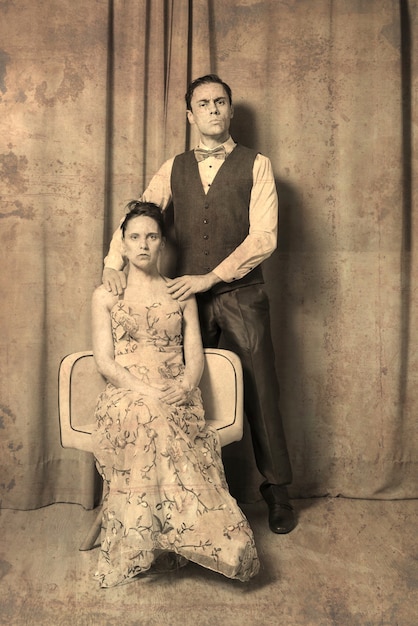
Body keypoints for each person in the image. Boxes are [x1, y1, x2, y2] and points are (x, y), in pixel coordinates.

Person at [103, 74, 296, 535]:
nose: (212, 109)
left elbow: (264, 237)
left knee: (258, 387)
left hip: (240, 293)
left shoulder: (258, 165)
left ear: (230, 111)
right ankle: (198, 491)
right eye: (203, 103)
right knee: (188, 389)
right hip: (183, 299)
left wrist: (210, 277)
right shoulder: (173, 167)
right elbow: (141, 217)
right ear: (190, 115)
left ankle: (277, 488)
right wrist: (113, 261)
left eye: (220, 102)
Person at [91, 200, 259, 588]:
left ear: (162, 243)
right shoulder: (105, 295)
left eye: (151, 236)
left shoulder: (181, 293)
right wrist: (147, 391)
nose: (143, 245)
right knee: (149, 413)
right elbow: (105, 363)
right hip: (125, 395)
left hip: (175, 392)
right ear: (123, 244)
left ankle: (200, 535)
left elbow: (195, 359)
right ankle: (165, 539)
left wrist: (182, 387)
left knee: (162, 415)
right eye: (135, 237)